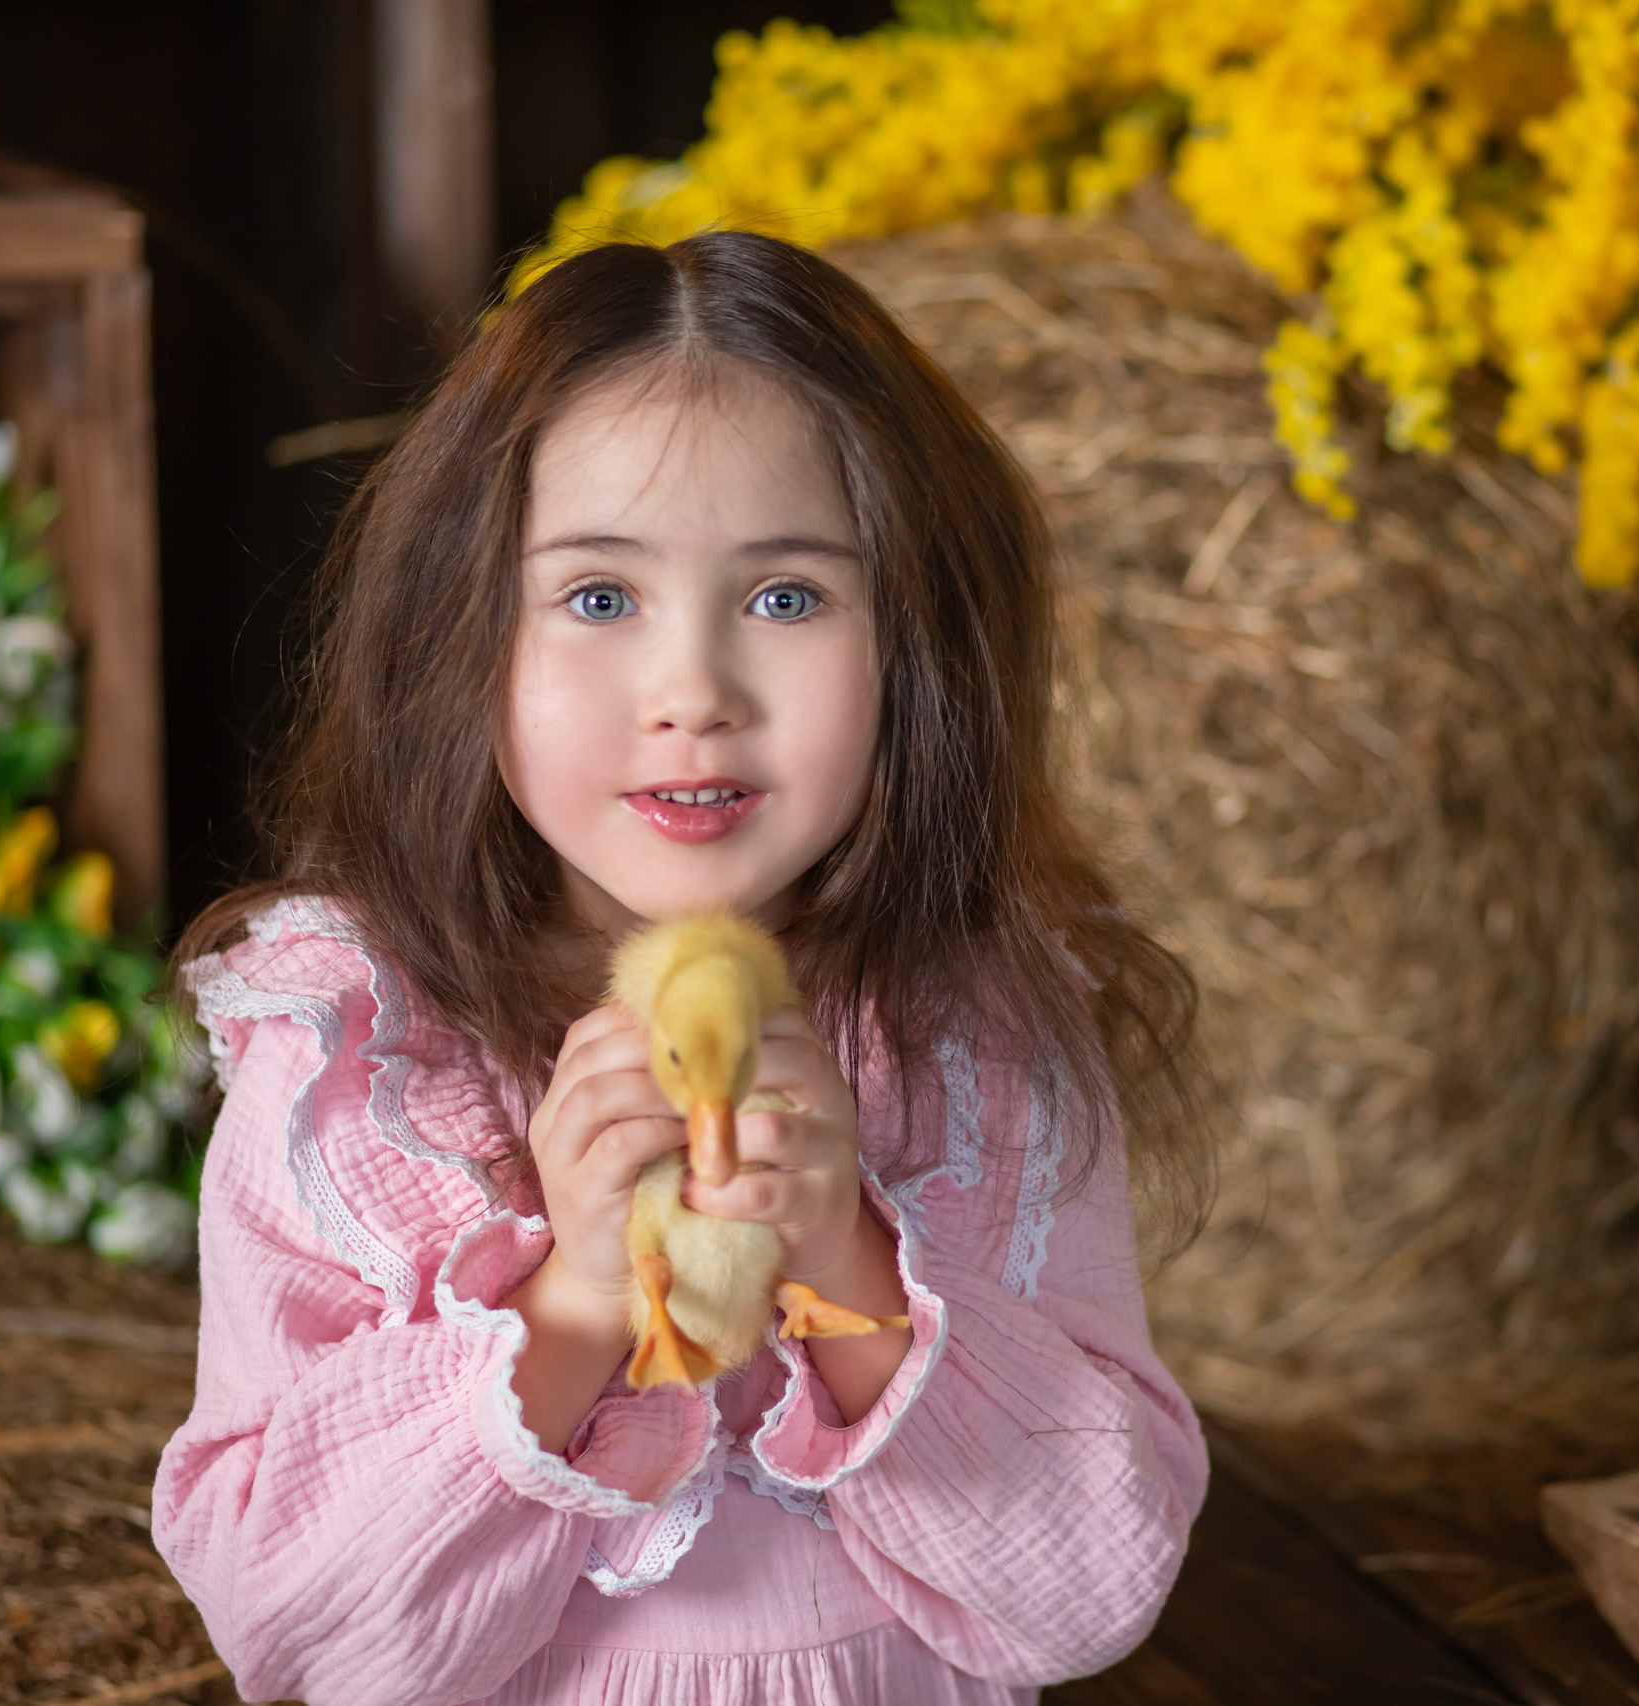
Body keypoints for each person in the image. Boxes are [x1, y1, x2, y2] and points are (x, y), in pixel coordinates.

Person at [152, 233, 1213, 1705]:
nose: (694, 694)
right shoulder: (359, 1059)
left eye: (786, 597)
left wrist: (845, 1255)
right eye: (598, 597)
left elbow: (1088, 1592)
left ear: (918, 642)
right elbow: (291, 1626)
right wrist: (579, 1298)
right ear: (460, 635)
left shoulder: (982, 1040)